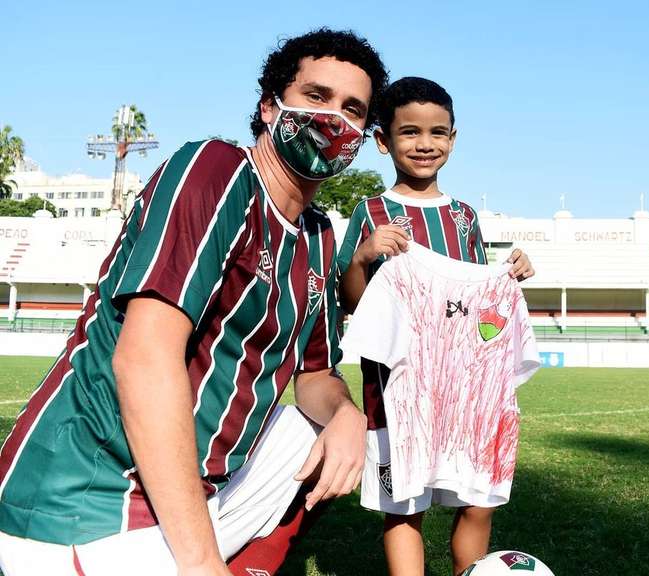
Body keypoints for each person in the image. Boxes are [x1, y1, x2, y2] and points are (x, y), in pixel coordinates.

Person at [0, 28, 388, 576]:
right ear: (270, 106)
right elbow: (143, 359)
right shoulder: (217, 170)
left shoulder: (319, 233)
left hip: (192, 495)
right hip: (90, 497)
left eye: (353, 110)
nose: (333, 121)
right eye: (317, 97)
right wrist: (201, 561)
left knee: (327, 434)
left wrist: (346, 414)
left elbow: (317, 375)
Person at [337, 76, 535, 576]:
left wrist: (511, 274)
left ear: (453, 138)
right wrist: (363, 257)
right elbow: (353, 301)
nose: (425, 144)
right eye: (409, 132)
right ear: (382, 140)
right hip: (400, 385)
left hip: (467, 385)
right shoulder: (372, 212)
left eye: (438, 132)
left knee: (480, 499)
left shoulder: (464, 216)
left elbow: (475, 297)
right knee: (404, 502)